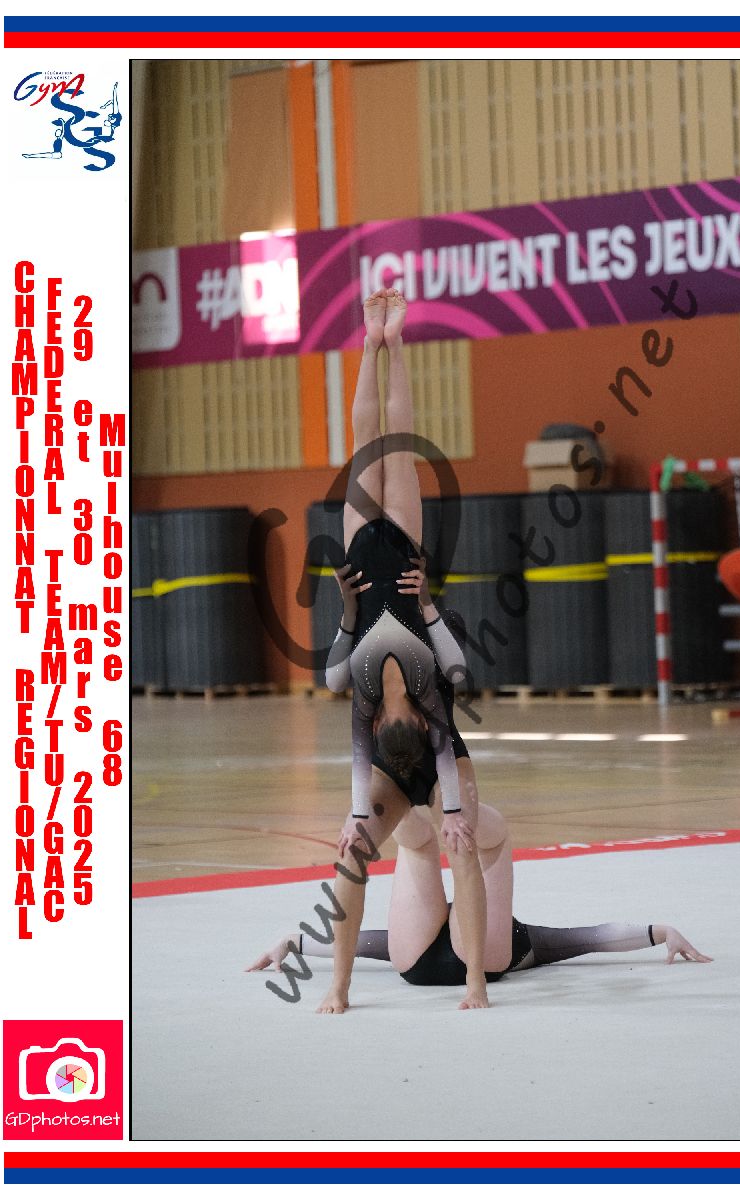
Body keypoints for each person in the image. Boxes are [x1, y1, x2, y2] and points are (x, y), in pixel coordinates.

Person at [315, 288, 488, 1013]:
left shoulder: (379, 692)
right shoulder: (413, 698)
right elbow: (370, 751)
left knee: (371, 442)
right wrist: (358, 815)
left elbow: (333, 675)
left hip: (366, 556)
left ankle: (475, 981)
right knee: (353, 852)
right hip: (405, 554)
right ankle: (339, 985)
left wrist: (453, 812)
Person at [249, 800, 713, 986]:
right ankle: (447, 806)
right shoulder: (525, 941)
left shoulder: (417, 934)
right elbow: (587, 939)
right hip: (475, 958)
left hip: (413, 961)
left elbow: (364, 944)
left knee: (419, 844)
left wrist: (296, 941)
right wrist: (659, 932)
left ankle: (407, 799)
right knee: (469, 841)